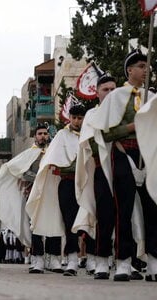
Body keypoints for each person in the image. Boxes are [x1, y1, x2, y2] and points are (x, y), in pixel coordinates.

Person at [88, 49, 156, 281]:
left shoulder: (152, 98)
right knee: (123, 209)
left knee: (152, 209)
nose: (146, 70)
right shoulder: (116, 97)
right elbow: (105, 133)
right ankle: (123, 261)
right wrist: (131, 127)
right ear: (130, 70)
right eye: (141, 66)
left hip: (148, 156)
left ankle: (154, 261)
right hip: (123, 153)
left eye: (147, 66)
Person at [27, 104, 95, 276]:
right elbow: (52, 161)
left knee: (91, 217)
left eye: (80, 118)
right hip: (67, 182)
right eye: (74, 118)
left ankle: (93, 259)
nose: (77, 121)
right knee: (69, 221)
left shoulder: (90, 133)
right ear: (69, 118)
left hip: (87, 182)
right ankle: (72, 260)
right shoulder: (61, 136)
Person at [0, 124, 62, 273]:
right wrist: (38, 178)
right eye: (40, 133)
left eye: (45, 133)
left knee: (54, 222)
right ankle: (38, 259)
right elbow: (23, 172)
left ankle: (54, 258)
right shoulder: (29, 154)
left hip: (52, 193)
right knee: (36, 225)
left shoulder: (53, 152)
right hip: (34, 193)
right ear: (35, 136)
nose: (43, 136)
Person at [73, 75, 117, 279]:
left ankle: (128, 260)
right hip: (101, 169)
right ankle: (101, 260)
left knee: (128, 215)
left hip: (124, 168)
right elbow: (90, 145)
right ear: (97, 92)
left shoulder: (125, 110)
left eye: (112, 89)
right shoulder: (92, 114)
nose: (109, 93)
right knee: (105, 216)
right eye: (105, 89)